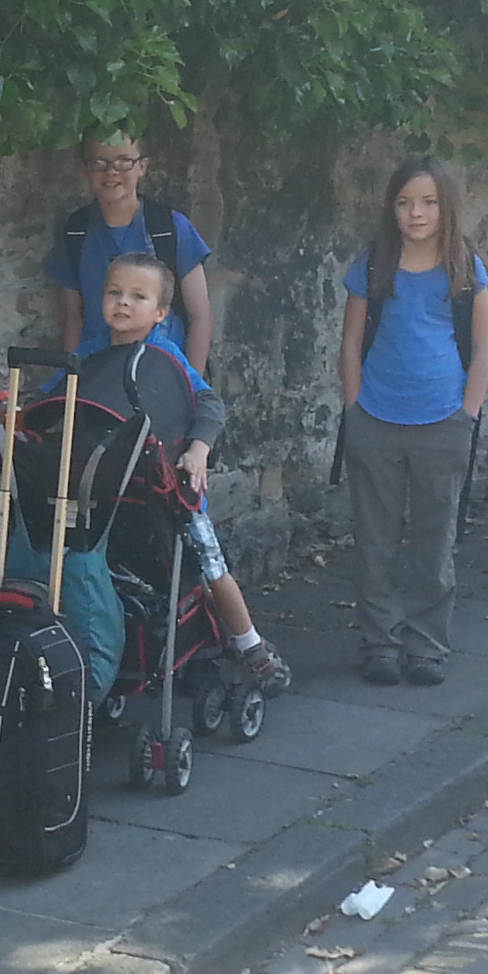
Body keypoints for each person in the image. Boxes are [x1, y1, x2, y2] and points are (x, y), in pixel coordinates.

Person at [83, 254, 291, 694]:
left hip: (173, 488)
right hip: (114, 490)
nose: (123, 303)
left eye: (138, 297)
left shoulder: (166, 355)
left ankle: (250, 644)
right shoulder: (92, 356)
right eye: (114, 293)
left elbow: (209, 403)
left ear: (161, 313)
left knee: (211, 569)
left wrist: (199, 450)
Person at [335, 159, 488, 687]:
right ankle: (380, 641)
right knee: (375, 540)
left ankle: (426, 644)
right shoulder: (374, 266)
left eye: (427, 202)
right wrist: (354, 408)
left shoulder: (466, 268)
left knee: (433, 540)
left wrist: (466, 415)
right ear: (392, 209)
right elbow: (352, 342)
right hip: (377, 419)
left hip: (443, 421)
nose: (416, 213)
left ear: (446, 206)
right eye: (405, 203)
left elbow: (484, 349)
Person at [46, 134, 216, 373]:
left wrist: (191, 389)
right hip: (97, 372)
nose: (111, 172)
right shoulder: (76, 231)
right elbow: (73, 317)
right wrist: (71, 381)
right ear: (84, 168)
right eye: (98, 162)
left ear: (142, 166)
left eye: (124, 161)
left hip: (161, 371)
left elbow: (200, 315)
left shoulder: (168, 228)